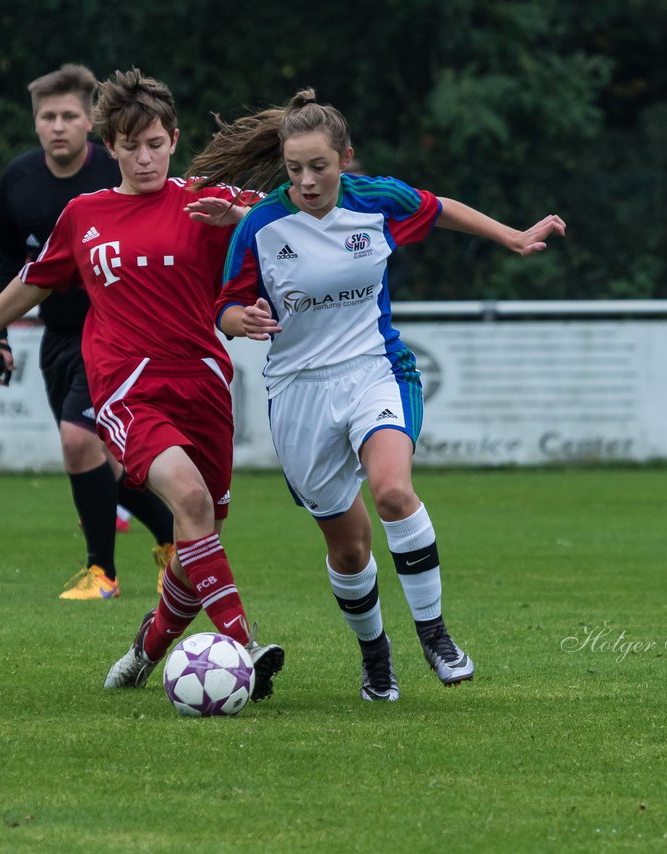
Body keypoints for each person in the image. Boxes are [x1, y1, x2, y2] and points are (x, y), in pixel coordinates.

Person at [190, 89, 566, 702]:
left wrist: (513, 237)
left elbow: (439, 207)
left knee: (393, 490)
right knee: (349, 546)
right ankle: (376, 656)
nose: (308, 181)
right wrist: (243, 322)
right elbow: (226, 306)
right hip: (297, 391)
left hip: (374, 368)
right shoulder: (261, 225)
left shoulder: (376, 200)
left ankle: (436, 636)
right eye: (294, 169)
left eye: (320, 166)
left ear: (346, 158)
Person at [0, 69, 284, 700]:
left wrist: (241, 220)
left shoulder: (206, 198)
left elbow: (297, 216)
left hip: (202, 383)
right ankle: (244, 646)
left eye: (154, 143)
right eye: (130, 145)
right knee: (191, 505)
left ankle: (148, 648)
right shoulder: (85, 216)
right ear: (109, 147)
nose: (144, 158)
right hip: (126, 384)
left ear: (172, 139)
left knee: (201, 530)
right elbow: (33, 280)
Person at [0, 63, 176, 601]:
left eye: (70, 115)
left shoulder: (114, 176)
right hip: (58, 338)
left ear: (91, 124)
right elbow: (5, 262)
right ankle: (173, 544)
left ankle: (102, 573)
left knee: (77, 442)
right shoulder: (18, 180)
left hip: (114, 335)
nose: (59, 125)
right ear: (36, 123)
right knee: (101, 462)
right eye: (48, 116)